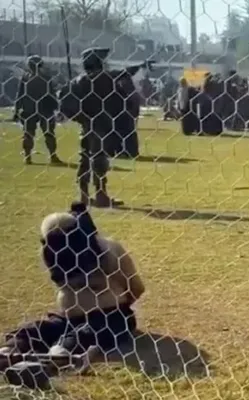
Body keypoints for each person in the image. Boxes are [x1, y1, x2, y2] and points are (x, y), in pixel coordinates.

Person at [2, 203, 144, 367]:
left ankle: (57, 355)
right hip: (68, 320)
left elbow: (136, 288)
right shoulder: (51, 255)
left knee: (89, 333)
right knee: (35, 329)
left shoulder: (109, 250)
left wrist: (113, 306)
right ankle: (10, 351)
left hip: (109, 317)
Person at [60, 47, 146, 207]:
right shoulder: (103, 78)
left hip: (86, 125)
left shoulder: (78, 81)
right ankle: (101, 195)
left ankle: (84, 196)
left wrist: (82, 118)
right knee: (99, 159)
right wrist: (140, 65)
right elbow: (123, 73)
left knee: (85, 158)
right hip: (100, 124)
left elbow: (66, 103)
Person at [16, 55, 62, 165]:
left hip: (29, 109)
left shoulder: (25, 77)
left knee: (28, 134)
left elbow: (20, 95)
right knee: (49, 133)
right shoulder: (46, 78)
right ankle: (52, 155)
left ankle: (28, 157)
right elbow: (52, 94)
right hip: (44, 109)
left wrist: (17, 109)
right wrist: (58, 108)